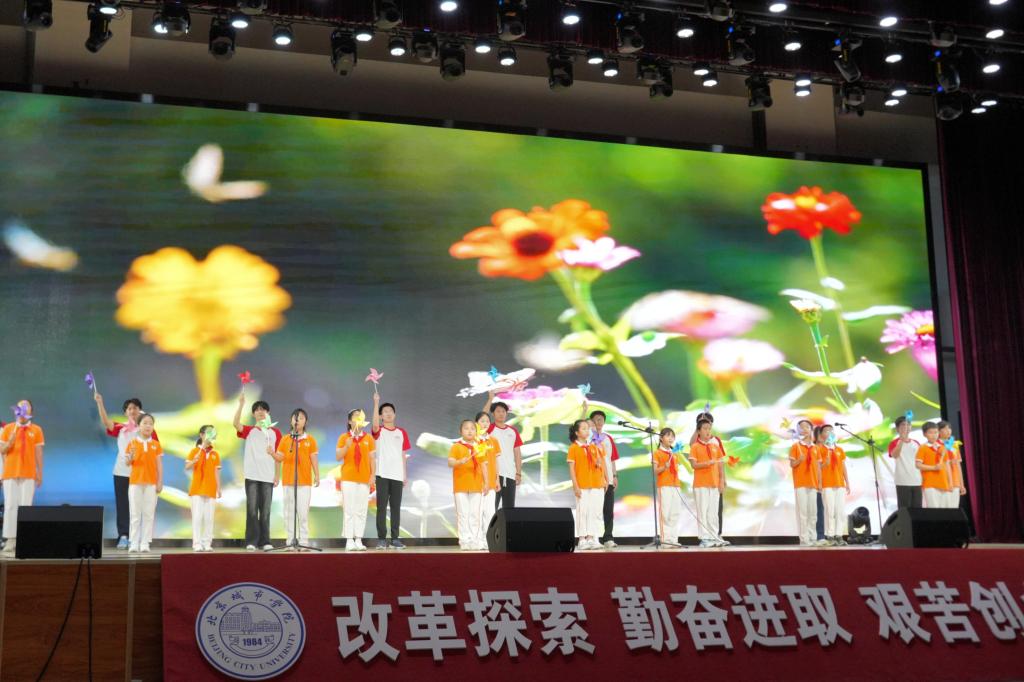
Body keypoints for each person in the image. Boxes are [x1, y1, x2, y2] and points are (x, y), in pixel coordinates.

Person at [94, 394, 160, 550]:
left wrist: (158, 478)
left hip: (142, 474)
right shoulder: (121, 428)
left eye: (135, 408)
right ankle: (124, 535)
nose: (132, 411)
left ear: (140, 410)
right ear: (125, 412)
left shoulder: (148, 429)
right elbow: (106, 422)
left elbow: (156, 454)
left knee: (143, 506)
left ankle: (142, 539)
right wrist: (100, 402)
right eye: (129, 409)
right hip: (122, 472)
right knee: (123, 504)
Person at [234, 393, 282, 551]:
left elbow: (279, 456)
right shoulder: (249, 431)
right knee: (252, 510)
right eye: (257, 410)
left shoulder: (275, 433)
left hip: (268, 476)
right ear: (253, 414)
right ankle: (251, 541)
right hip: (252, 476)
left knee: (266, 511)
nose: (260, 412)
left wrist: (277, 475)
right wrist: (241, 404)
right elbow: (235, 424)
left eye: (263, 409)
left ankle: (265, 541)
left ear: (268, 413)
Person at [1, 400, 44, 558]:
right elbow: (2, 450)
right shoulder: (8, 428)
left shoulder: (36, 429)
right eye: (20, 407)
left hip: (28, 473)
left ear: (31, 411)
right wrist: (11, 439)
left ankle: (24, 539)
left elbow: (38, 452)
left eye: (26, 407)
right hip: (10, 473)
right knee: (10, 506)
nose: (23, 410)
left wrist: (40, 472)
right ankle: (10, 539)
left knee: (26, 507)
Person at [275, 409, 319, 549]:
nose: (297, 420)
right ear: (291, 421)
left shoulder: (310, 439)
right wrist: (272, 453)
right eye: (295, 418)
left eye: (301, 418)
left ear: (305, 421)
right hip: (288, 481)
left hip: (305, 481)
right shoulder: (285, 439)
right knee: (289, 513)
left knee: (303, 512)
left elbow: (313, 458)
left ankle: (304, 541)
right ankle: (290, 541)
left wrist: (317, 475)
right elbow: (279, 458)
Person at [372, 392, 411, 550]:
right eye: (385, 412)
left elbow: (403, 454)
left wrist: (404, 475)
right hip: (382, 474)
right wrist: (376, 402)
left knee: (396, 508)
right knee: (381, 508)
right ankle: (382, 539)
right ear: (381, 416)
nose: (388, 413)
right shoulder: (378, 431)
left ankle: (395, 538)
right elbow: (375, 425)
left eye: (390, 411)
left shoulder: (401, 432)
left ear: (394, 414)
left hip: (397, 475)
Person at [336, 409, 375, 551]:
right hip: (348, 478)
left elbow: (372, 459)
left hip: (364, 478)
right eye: (355, 417)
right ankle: (349, 540)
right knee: (349, 510)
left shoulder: (368, 438)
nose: (359, 419)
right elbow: (338, 457)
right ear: (349, 421)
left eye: (361, 417)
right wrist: (347, 445)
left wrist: (372, 475)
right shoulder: (343, 437)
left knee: (361, 510)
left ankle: (358, 539)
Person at [449, 419, 489, 551]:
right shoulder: (456, 446)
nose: (470, 431)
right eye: (466, 428)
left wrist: (487, 482)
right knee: (463, 514)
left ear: (476, 432)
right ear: (461, 431)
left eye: (472, 428)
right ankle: (465, 541)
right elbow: (450, 462)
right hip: (460, 485)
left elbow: (483, 465)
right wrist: (460, 461)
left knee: (475, 514)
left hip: (476, 485)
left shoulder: (479, 446)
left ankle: (475, 540)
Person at [567, 419, 607, 550]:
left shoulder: (594, 446)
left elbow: (600, 464)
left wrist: (604, 479)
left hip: (596, 483)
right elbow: (572, 469)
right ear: (577, 432)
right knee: (582, 511)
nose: (587, 431)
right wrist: (575, 486)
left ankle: (592, 537)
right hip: (582, 484)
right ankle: (582, 539)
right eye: (583, 428)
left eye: (588, 428)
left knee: (594, 511)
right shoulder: (573, 448)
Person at [689, 418, 728, 548]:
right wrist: (707, 463)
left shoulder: (715, 446)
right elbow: (694, 465)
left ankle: (714, 537)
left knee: (713, 512)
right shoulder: (695, 447)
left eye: (709, 429)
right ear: (698, 431)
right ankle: (704, 538)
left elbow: (720, 465)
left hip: (714, 484)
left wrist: (721, 481)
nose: (708, 431)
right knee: (702, 512)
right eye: (705, 429)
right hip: (701, 484)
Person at [126, 413, 162, 553]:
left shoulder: (156, 445)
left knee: (149, 514)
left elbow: (159, 465)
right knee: (135, 514)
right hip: (135, 483)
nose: (148, 426)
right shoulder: (132, 443)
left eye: (150, 424)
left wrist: (160, 482)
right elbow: (127, 462)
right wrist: (131, 455)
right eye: (145, 423)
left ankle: (145, 543)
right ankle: (134, 542)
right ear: (139, 426)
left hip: (151, 483)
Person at [482, 391, 523, 511]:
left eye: (503, 411)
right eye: (498, 411)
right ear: (493, 414)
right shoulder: (490, 429)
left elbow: (517, 453)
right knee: (491, 509)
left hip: (510, 475)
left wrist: (518, 473)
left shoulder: (513, 431)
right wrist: (490, 399)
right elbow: (482, 418)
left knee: (510, 510)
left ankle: (508, 526)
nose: (501, 414)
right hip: (493, 475)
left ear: (506, 414)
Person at [185, 425, 221, 552]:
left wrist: (219, 488)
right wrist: (193, 461)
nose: (211, 436)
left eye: (213, 433)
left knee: (209, 518)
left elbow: (216, 472)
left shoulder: (215, 454)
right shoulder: (194, 451)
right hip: (197, 489)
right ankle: (197, 543)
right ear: (201, 435)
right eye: (208, 433)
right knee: (197, 517)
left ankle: (207, 543)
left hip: (211, 489)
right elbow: (187, 467)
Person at [815, 424, 850, 546]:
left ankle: (839, 535)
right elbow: (818, 467)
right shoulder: (820, 449)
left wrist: (847, 482)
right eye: (826, 431)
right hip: (827, 484)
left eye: (831, 430)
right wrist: (820, 482)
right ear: (822, 435)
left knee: (840, 511)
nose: (829, 432)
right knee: (830, 511)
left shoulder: (839, 450)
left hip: (840, 484)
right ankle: (830, 535)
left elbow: (843, 466)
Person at [789, 419, 822, 546]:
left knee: (813, 513)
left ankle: (813, 537)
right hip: (801, 483)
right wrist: (799, 460)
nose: (804, 429)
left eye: (806, 427)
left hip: (813, 484)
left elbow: (818, 468)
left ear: (811, 429)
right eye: (801, 427)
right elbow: (792, 464)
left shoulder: (816, 448)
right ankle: (804, 539)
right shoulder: (795, 446)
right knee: (803, 513)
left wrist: (820, 483)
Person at [590, 410, 620, 548]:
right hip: (594, 479)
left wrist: (614, 475)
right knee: (594, 509)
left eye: (601, 419)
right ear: (591, 422)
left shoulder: (608, 438)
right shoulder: (588, 438)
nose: (599, 422)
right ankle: (593, 537)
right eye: (596, 419)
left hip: (608, 479)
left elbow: (612, 459)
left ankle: (608, 538)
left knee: (608, 510)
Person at [474, 411, 501, 548]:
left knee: (490, 512)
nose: (485, 424)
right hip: (477, 482)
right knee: (477, 513)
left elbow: (496, 462)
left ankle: (487, 541)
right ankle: (477, 541)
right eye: (482, 421)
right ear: (476, 423)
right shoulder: (474, 441)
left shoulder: (494, 441)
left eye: (487, 421)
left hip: (491, 482)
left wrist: (497, 479)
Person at [652, 427, 682, 548]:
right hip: (664, 486)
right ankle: (665, 540)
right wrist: (664, 467)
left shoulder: (674, 453)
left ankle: (673, 539)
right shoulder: (657, 453)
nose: (671, 438)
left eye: (672, 436)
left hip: (676, 485)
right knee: (665, 513)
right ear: (661, 438)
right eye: (668, 435)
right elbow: (655, 471)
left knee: (675, 513)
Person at [887, 415, 922, 509]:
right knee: (904, 510)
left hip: (917, 480)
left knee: (918, 509)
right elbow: (895, 455)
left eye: (908, 424)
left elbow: (920, 461)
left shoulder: (916, 443)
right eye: (903, 425)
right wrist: (901, 440)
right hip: (902, 481)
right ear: (897, 428)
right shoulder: (894, 443)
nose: (906, 427)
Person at [915, 422, 951, 509]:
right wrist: (933, 468)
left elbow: (947, 466)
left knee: (945, 510)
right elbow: (918, 465)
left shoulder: (942, 447)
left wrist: (950, 483)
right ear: (924, 434)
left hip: (943, 483)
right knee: (934, 510)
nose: (934, 435)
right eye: (930, 432)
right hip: (930, 484)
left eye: (935, 432)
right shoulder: (923, 448)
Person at [937, 420, 966, 508]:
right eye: (945, 428)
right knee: (944, 508)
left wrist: (962, 484)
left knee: (954, 508)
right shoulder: (936, 445)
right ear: (938, 431)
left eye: (949, 428)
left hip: (955, 481)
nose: (948, 430)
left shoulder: (954, 445)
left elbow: (958, 465)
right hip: (943, 482)